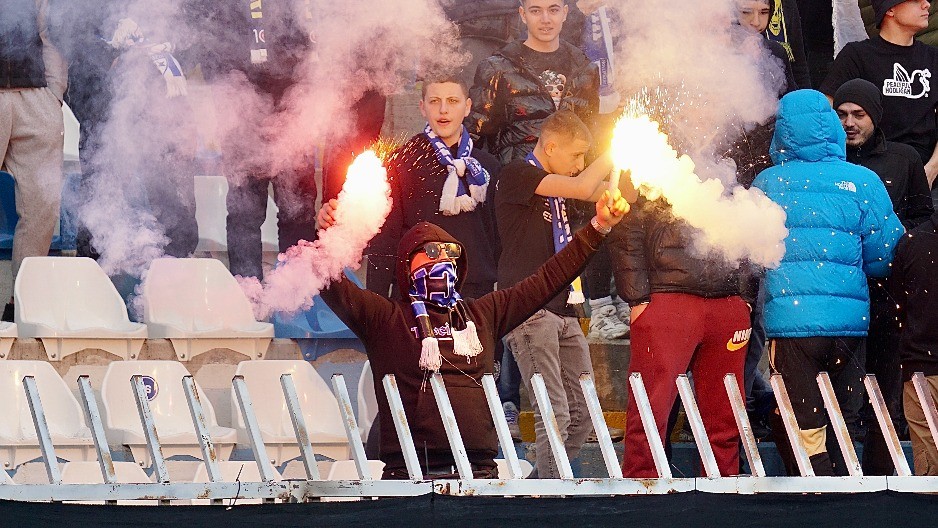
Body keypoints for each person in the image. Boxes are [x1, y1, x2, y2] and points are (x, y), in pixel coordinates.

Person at [317, 188, 630, 480]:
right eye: (431, 251)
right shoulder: (384, 317)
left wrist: (599, 227)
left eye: (450, 252)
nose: (442, 258)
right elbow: (328, 280)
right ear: (407, 264)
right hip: (409, 475)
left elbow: (548, 278)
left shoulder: (483, 313)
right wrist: (327, 234)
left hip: (478, 474)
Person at [752, 88, 904, 476]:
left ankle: (813, 484)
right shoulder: (863, 181)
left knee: (802, 414)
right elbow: (886, 255)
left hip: (790, 326)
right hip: (850, 324)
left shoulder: (768, 184)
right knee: (845, 409)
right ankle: (844, 485)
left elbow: (750, 252)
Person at [496, 110, 635, 477]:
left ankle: (545, 481)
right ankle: (545, 498)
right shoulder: (517, 174)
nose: (580, 164)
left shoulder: (563, 186)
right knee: (553, 410)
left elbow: (609, 196)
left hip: (566, 308)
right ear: (551, 145)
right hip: (530, 309)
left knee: (584, 412)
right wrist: (618, 147)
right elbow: (584, 186)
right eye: (575, 156)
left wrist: (612, 207)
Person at [609, 201, 755, 478]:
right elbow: (627, 227)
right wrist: (638, 298)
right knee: (652, 406)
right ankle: (642, 487)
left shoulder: (735, 158)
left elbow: (749, 223)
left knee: (726, 411)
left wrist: (744, 297)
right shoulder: (648, 160)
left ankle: (723, 489)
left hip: (724, 299)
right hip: (666, 296)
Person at [833, 78, 934, 475]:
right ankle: (838, 475)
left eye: (859, 114)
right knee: (841, 390)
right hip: (840, 288)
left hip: (888, 290)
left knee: (886, 388)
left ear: (876, 115)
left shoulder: (904, 158)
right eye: (841, 114)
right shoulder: (827, 161)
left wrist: (894, 246)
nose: (849, 123)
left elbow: (922, 215)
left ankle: (882, 474)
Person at [183, 0, 318, 280]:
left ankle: (298, 296)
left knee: (298, 213)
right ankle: (248, 295)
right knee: (244, 214)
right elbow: (199, 44)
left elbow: (309, 44)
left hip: (291, 115)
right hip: (241, 116)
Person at [366, 77, 500, 301]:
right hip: (416, 290)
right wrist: (374, 304)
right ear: (422, 107)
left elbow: (497, 235)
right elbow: (385, 238)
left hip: (475, 293)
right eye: (435, 101)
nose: (443, 110)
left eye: (453, 101)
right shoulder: (402, 161)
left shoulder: (487, 165)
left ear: (467, 107)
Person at [820, 0, 938, 189]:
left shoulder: (933, 58)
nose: (926, 5)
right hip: (867, 171)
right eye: (916, 0)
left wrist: (931, 170)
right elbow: (825, 110)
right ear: (890, 9)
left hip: (923, 170)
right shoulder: (857, 55)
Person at [466, 0, 598, 166]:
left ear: (564, 13)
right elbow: (472, 136)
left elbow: (593, 136)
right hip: (518, 183)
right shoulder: (497, 68)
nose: (545, 19)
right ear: (523, 14)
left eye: (553, 10)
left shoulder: (585, 69)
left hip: (571, 183)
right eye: (536, 11)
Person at [0, 0, 67, 321]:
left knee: (43, 208)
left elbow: (48, 30)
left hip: (37, 97)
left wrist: (55, 91)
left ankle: (21, 306)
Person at [889, 211, 938, 475]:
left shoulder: (912, 242)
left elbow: (897, 305)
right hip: (921, 364)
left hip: (921, 366)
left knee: (929, 473)